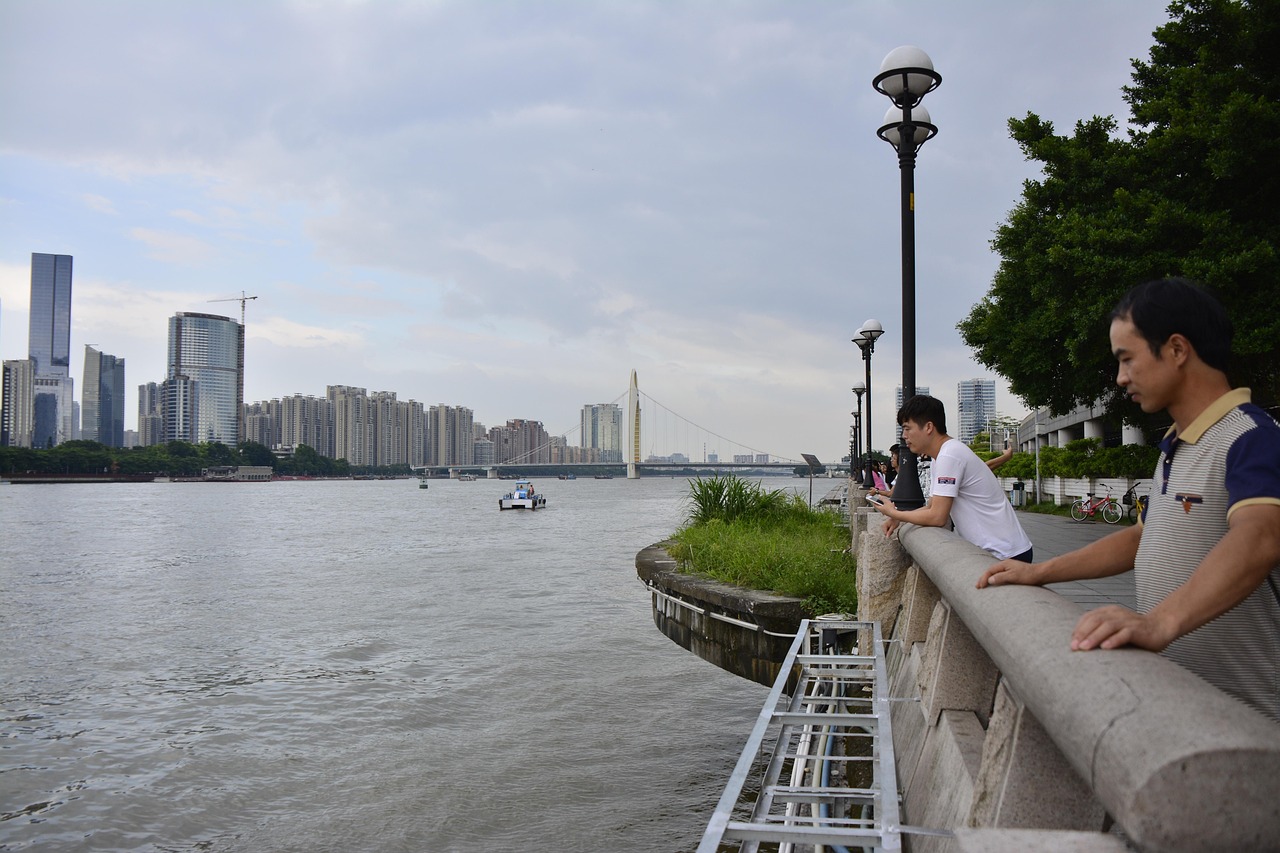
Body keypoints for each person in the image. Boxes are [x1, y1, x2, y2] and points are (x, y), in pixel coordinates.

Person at [977, 278, 1280, 721]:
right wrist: (1039, 571)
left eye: (1127, 359)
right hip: (1181, 701)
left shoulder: (1250, 438)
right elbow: (1141, 539)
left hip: (1249, 720)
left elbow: (1261, 536)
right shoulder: (1178, 446)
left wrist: (1160, 622)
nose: (1120, 378)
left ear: (1177, 350)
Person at [872, 394, 1034, 562]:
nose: (904, 436)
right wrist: (897, 516)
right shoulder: (940, 457)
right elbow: (932, 506)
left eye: (907, 428)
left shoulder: (949, 455)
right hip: (1001, 551)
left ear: (928, 427)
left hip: (1005, 553)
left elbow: (937, 516)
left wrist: (893, 511)